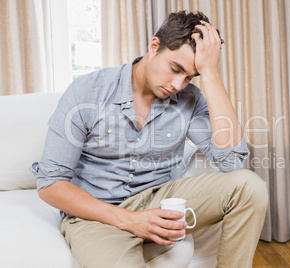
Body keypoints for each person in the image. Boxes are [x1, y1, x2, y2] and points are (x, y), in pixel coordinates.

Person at [31, 10, 268, 268]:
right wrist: (129, 220)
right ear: (154, 46)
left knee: (250, 187)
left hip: (158, 198)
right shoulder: (87, 92)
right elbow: (51, 184)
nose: (179, 84)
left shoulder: (190, 99)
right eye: (175, 68)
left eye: (189, 76)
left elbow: (232, 162)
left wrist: (210, 73)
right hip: (96, 216)